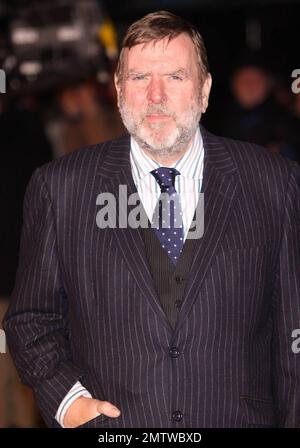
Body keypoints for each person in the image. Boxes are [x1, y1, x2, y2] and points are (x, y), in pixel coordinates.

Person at [3, 11, 300, 428]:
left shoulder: (274, 183)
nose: (156, 95)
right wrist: (68, 402)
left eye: (175, 77)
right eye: (140, 78)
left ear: (205, 90)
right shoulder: (60, 189)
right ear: (120, 90)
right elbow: (31, 319)